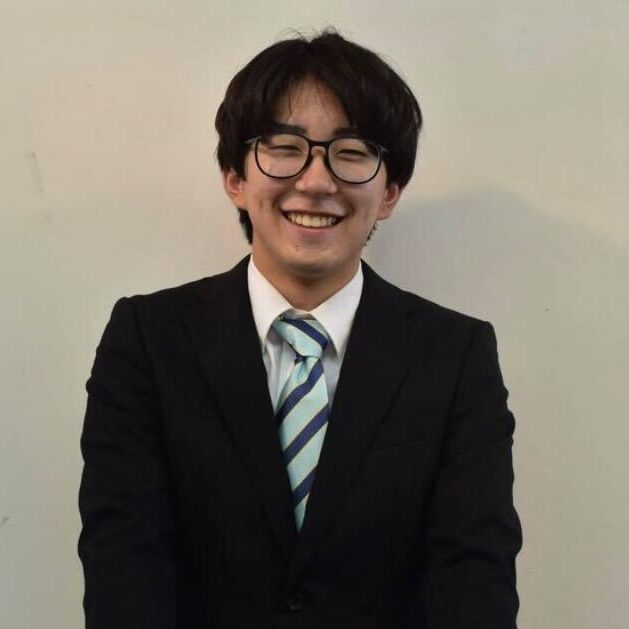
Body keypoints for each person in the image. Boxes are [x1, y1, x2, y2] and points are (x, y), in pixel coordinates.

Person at [78, 29, 522, 629]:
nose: (316, 181)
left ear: (390, 192)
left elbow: (474, 580)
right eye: (284, 147)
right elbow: (124, 566)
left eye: (352, 151)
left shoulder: (456, 355)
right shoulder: (148, 341)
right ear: (235, 177)